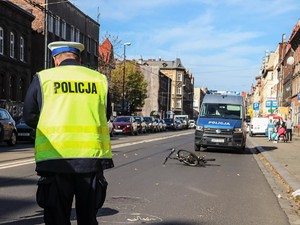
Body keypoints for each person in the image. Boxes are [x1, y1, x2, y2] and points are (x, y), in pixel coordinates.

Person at [23, 41, 114, 225]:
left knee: (56, 219)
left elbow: (29, 115)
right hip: (91, 158)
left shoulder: (43, 78)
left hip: (55, 158)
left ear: (56, 60)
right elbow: (106, 114)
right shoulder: (98, 80)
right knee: (88, 218)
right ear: (79, 59)